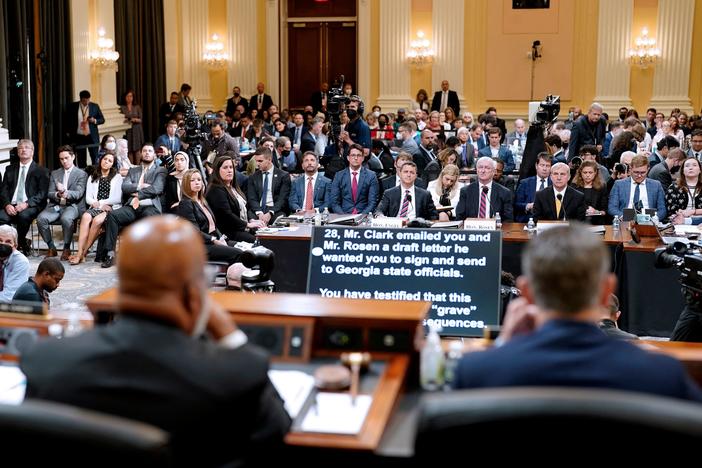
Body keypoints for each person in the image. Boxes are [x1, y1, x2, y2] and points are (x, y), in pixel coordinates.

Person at [20, 216, 291, 467]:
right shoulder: (235, 374)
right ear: (195, 291)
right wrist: (231, 338)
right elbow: (278, 432)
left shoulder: (45, 362)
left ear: (121, 283)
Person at [454, 225, 702, 402]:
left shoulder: (475, 372)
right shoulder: (663, 375)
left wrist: (502, 348)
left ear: (526, 293)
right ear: (608, 291)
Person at [101, 143, 168, 268]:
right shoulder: (133, 170)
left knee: (148, 219)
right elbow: (125, 187)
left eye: (150, 151)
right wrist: (141, 186)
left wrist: (137, 194)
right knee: (113, 216)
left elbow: (157, 188)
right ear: (141, 154)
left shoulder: (160, 170)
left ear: (154, 154)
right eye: (144, 151)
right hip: (132, 207)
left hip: (150, 207)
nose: (147, 153)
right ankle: (110, 254)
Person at [177, 169, 242, 265]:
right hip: (201, 245)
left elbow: (213, 226)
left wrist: (221, 238)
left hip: (212, 240)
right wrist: (214, 240)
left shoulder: (203, 201)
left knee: (245, 248)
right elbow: (194, 232)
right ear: (186, 183)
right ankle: (233, 279)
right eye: (193, 180)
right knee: (238, 253)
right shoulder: (185, 203)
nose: (197, 182)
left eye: (199, 179)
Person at [69, 153, 122, 265]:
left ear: (113, 164)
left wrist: (102, 203)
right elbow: (88, 198)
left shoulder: (117, 177)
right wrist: (95, 203)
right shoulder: (92, 176)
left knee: (97, 221)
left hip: (110, 207)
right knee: (85, 216)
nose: (106, 161)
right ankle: (79, 252)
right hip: (95, 206)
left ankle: (83, 253)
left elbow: (117, 198)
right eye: (105, 159)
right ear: (101, 160)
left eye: (110, 160)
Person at [36, 145, 88, 260]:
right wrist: (58, 194)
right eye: (61, 159)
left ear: (73, 157)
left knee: (66, 218)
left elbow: (78, 193)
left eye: (66, 158)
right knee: (41, 219)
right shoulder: (55, 173)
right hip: (56, 205)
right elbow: (49, 193)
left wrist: (65, 192)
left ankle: (66, 248)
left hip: (72, 205)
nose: (64, 161)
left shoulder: (81, 174)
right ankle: (51, 247)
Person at [0, 139, 50, 256]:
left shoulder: (41, 170)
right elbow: (4, 190)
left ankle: (17, 243)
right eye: (20, 148)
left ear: (32, 152)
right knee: (2, 217)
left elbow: (42, 193)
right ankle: (15, 243)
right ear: (17, 152)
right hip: (11, 204)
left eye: (27, 147)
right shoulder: (10, 169)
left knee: (23, 216)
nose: (23, 150)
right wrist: (7, 204)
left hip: (30, 205)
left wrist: (26, 204)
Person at [206, 155, 261, 243]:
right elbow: (227, 215)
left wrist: (251, 219)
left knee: (267, 237)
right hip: (229, 232)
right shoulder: (215, 190)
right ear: (217, 171)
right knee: (259, 242)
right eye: (225, 167)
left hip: (241, 228)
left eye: (231, 167)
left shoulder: (234, 187)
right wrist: (247, 224)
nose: (229, 170)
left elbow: (246, 207)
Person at [608, 154, 667, 220]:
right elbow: (612, 208)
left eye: (643, 172)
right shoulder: (619, 184)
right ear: (630, 169)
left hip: (649, 223)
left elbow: (662, 210)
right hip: (625, 221)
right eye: (636, 172)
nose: (639, 175)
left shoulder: (656, 185)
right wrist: (622, 216)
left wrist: (655, 218)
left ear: (648, 169)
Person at [455, 157, 514, 221]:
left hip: (495, 229)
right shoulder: (466, 191)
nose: (483, 171)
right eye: (480, 167)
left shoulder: (504, 192)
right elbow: (459, 216)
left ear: (494, 171)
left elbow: (508, 220)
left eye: (487, 168)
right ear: (477, 170)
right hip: (471, 229)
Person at [329, 144, 379, 214]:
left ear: (363, 158)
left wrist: (362, 216)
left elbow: (372, 202)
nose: (356, 158)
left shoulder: (371, 176)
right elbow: (334, 202)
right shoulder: (339, 176)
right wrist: (343, 217)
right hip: (343, 216)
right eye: (353, 155)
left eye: (359, 155)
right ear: (348, 158)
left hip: (364, 216)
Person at [246, 147, 291, 224]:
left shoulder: (283, 176)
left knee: (278, 222)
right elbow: (251, 198)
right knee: (253, 222)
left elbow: (282, 199)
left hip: (276, 210)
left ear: (269, 160)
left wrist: (270, 212)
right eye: (256, 161)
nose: (257, 164)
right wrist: (259, 213)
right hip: (257, 210)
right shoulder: (253, 177)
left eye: (260, 161)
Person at [65, 90, 105, 167]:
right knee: (81, 159)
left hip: (92, 136)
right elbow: (68, 120)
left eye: (88, 100)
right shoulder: (72, 107)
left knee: (95, 157)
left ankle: (95, 174)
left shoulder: (94, 106)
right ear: (80, 99)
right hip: (79, 137)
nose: (86, 102)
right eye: (84, 100)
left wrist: (95, 120)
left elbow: (102, 120)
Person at [514, 152, 552, 222]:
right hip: (527, 220)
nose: (544, 168)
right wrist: (527, 206)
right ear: (536, 166)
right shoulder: (525, 183)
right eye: (542, 165)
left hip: (549, 221)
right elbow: (516, 204)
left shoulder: (554, 184)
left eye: (547, 166)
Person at [570, 160, 608, 225]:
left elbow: (604, 210)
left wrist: (596, 212)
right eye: (585, 172)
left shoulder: (602, 187)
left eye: (590, 172)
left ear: (595, 172)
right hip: (578, 221)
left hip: (596, 221)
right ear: (580, 173)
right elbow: (571, 207)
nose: (587, 175)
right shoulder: (574, 186)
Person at [667, 157, 702, 225]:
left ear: (700, 170)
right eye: (687, 166)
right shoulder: (674, 187)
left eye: (694, 165)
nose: (690, 168)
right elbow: (672, 209)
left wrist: (693, 212)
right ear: (683, 171)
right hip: (679, 222)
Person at [0, 225, 29, 303]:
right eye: (0, 240)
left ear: (15, 246)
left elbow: (9, 296)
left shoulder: (21, 262)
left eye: (8, 242)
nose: (3, 244)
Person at [119, 90, 145, 164]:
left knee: (137, 149)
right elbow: (122, 119)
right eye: (127, 96)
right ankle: (131, 167)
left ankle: (138, 166)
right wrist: (127, 120)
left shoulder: (137, 107)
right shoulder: (122, 107)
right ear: (124, 97)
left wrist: (134, 119)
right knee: (129, 149)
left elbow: (141, 119)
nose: (129, 98)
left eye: (131, 96)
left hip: (137, 129)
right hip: (127, 130)